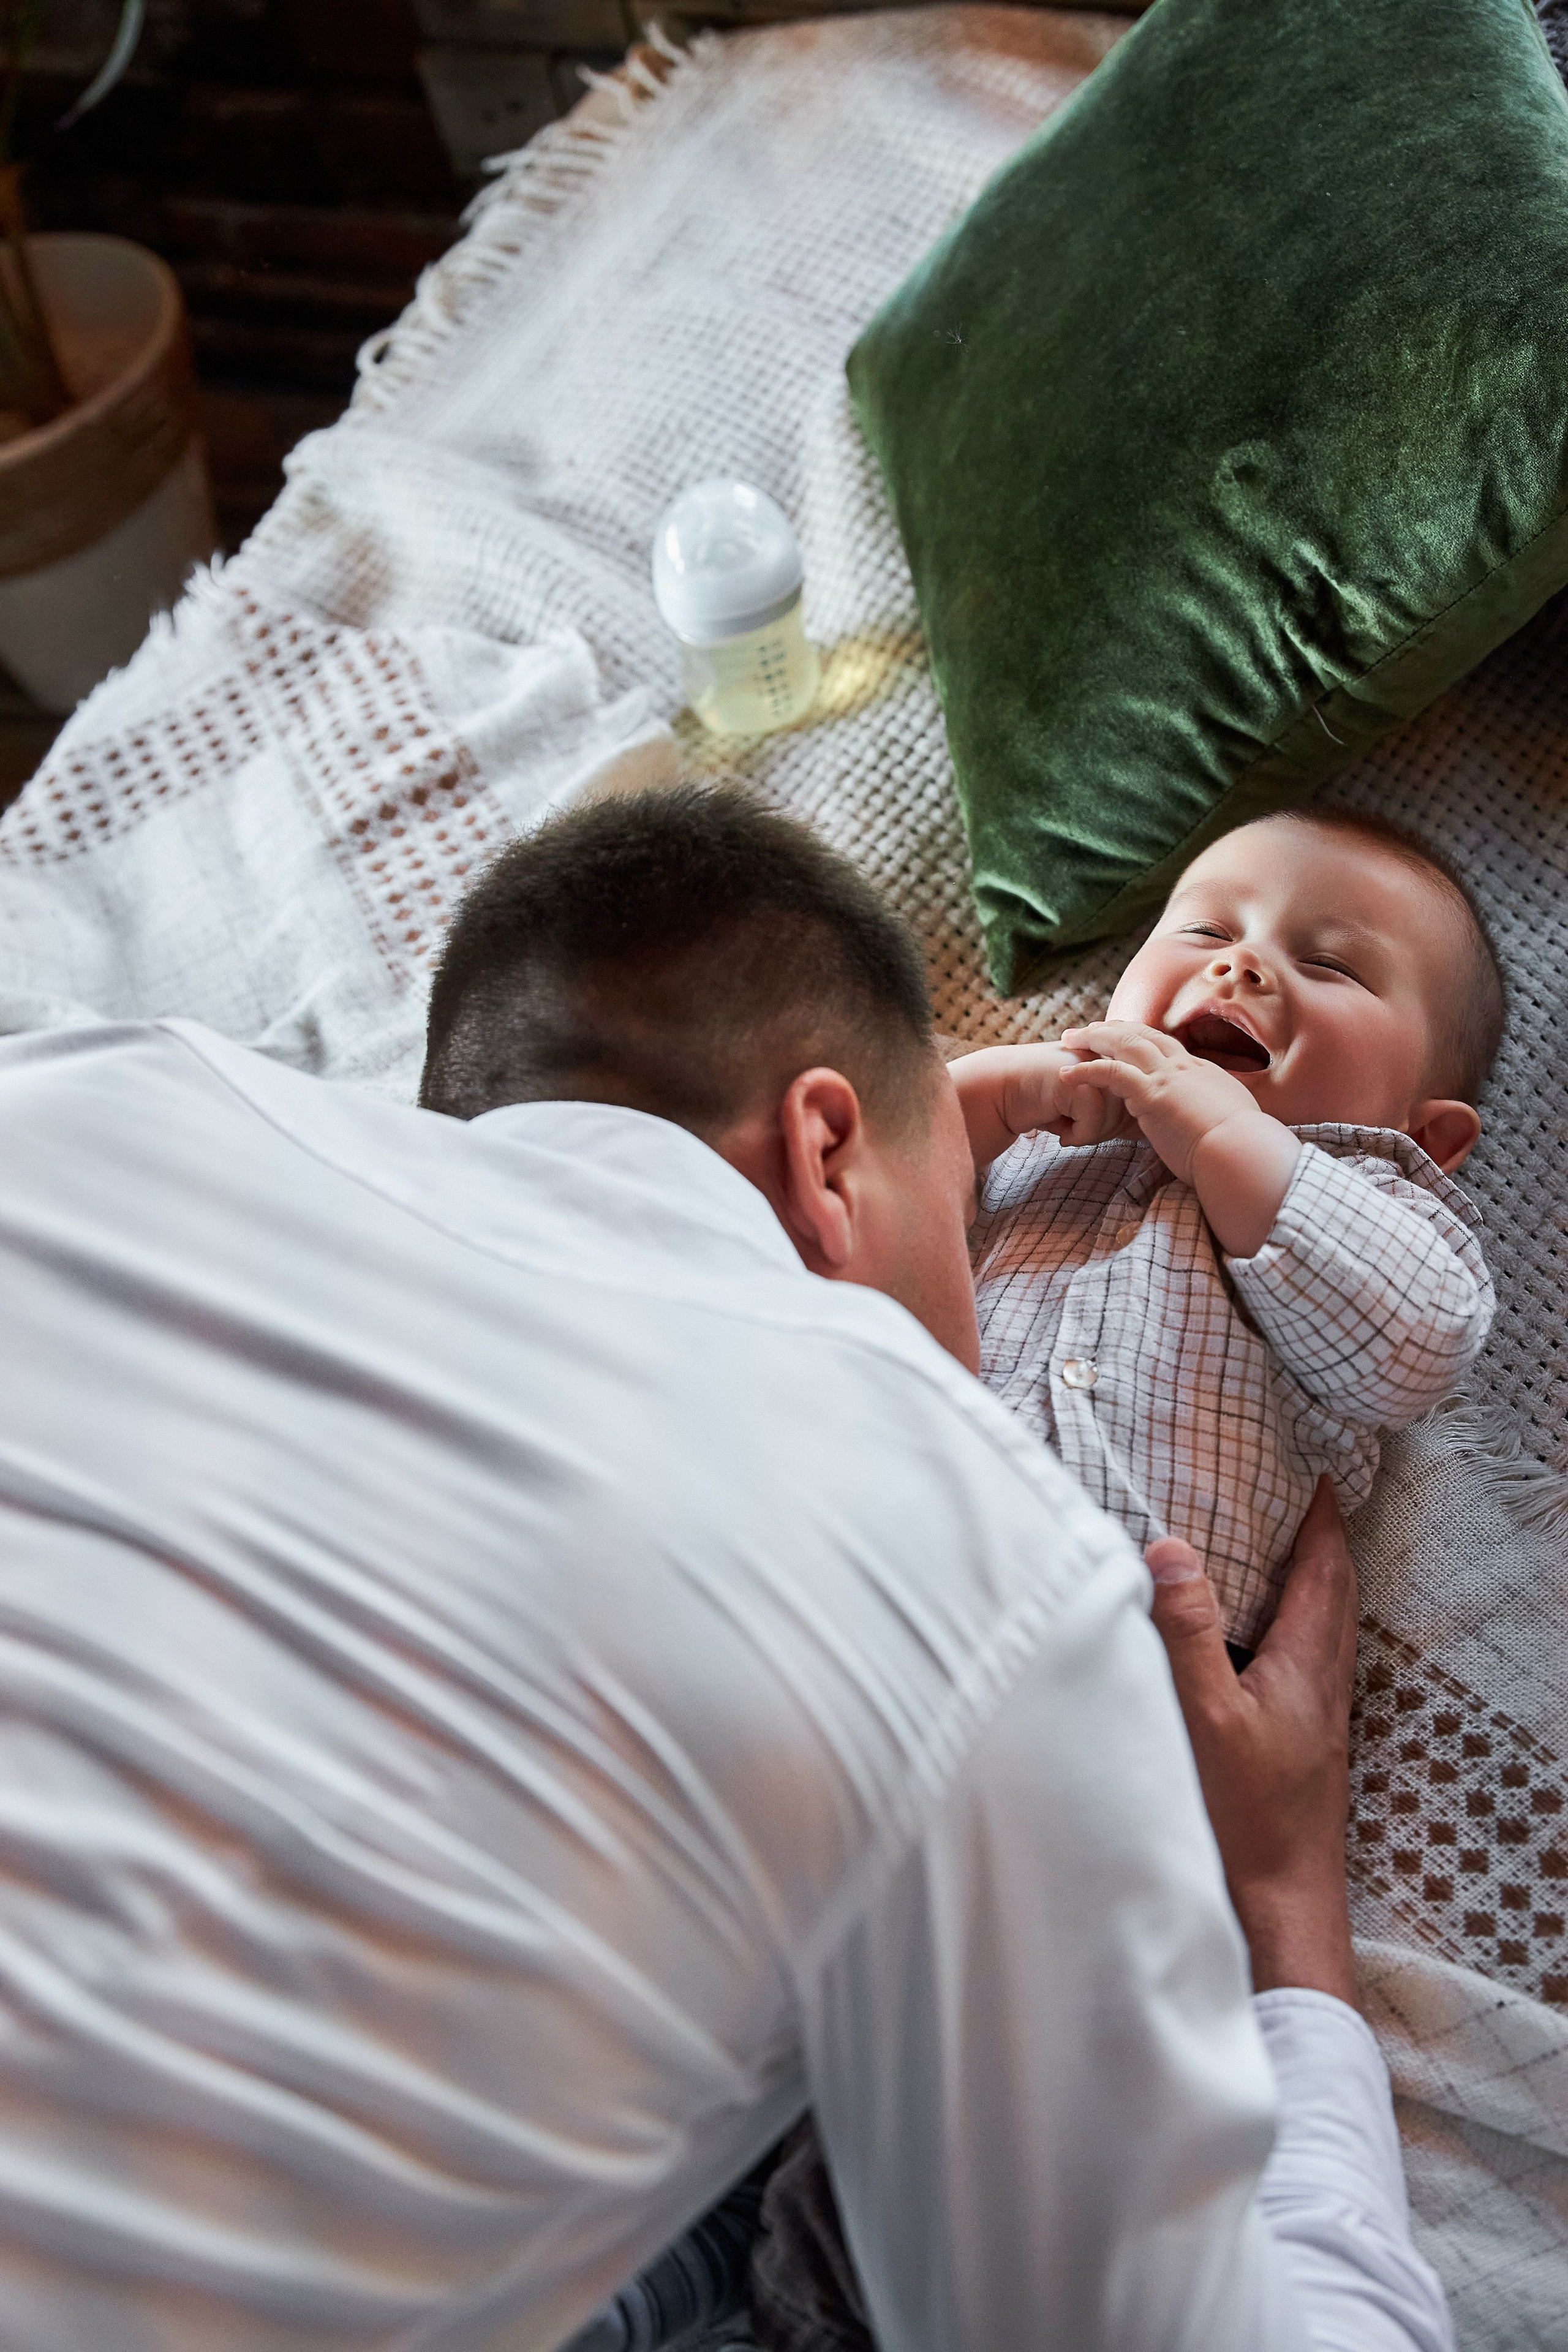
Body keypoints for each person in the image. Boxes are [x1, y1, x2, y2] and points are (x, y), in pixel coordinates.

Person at [0, 788, 1449, 2351]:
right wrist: (1289, 1911)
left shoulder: (75, 1090)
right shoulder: (979, 1572)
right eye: (957, 1222)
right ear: (829, 1153)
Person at [951, 809, 1501, 1648]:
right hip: (892, 1522)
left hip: (1133, 1631)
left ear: (1426, 1134)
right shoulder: (1045, 1120)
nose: (1237, 963)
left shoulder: (1376, 1201)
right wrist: (988, 1095)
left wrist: (1222, 1138)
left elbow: (1418, 1349)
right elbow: (871, 1187)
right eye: (1205, 928)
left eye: (1329, 964)